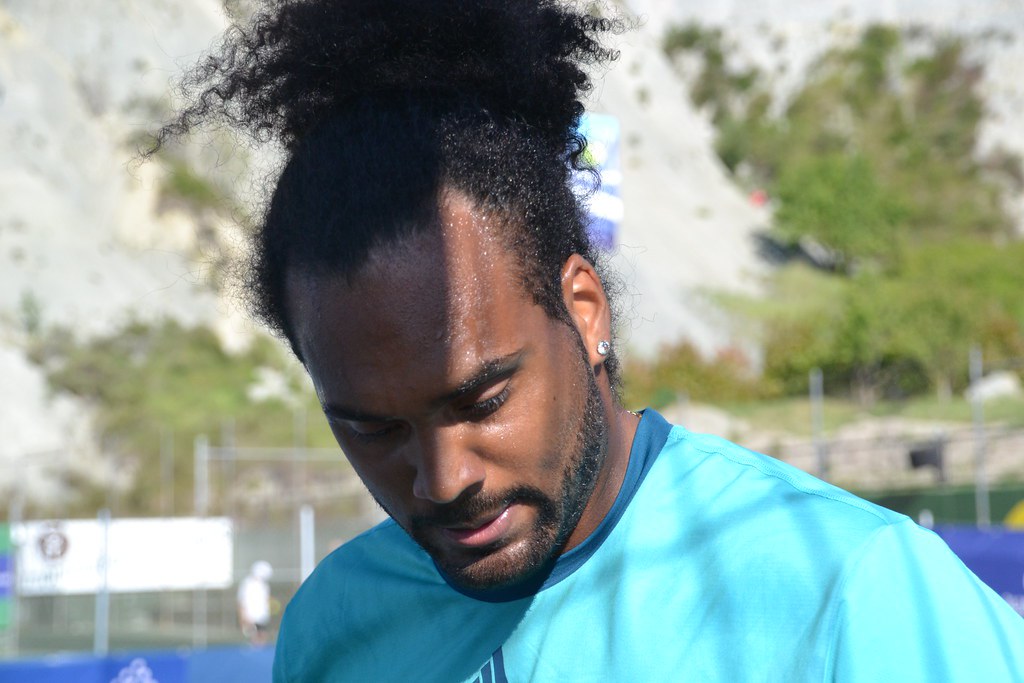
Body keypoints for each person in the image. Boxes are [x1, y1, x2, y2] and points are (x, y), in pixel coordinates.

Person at [156, 1, 1024, 679]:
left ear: (585, 309)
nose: (444, 478)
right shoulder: (333, 634)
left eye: (482, 399)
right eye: (373, 428)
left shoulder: (858, 589)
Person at [237, 560, 273, 645]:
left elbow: (266, 601)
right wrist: (243, 616)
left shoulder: (264, 586)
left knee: (262, 637)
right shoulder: (247, 584)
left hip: (262, 617)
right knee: (253, 639)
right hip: (250, 617)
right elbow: (241, 601)